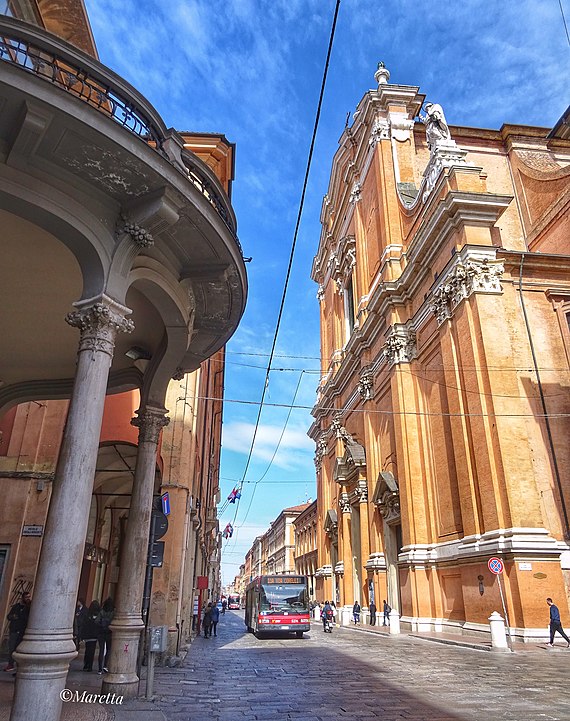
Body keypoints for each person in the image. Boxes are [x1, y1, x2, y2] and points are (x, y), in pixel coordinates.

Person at [5, 591, 31, 671]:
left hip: (22, 631)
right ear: (23, 598)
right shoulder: (16, 607)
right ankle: (10, 664)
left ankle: (19, 667)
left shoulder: (29, 608)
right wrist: (13, 617)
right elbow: (9, 616)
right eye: (26, 597)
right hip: (14, 630)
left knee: (20, 650)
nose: (28, 599)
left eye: (29, 597)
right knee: (12, 648)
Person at [82, 601, 102, 671]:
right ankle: (90, 666)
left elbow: (84, 624)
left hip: (88, 635)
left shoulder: (88, 614)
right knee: (92, 651)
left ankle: (86, 664)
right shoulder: (99, 614)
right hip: (94, 635)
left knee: (87, 650)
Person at [97, 597, 114, 674]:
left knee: (101, 650)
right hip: (109, 633)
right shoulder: (113, 612)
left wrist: (101, 625)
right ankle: (105, 666)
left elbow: (96, 621)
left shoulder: (102, 611)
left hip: (101, 632)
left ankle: (99, 668)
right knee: (108, 650)